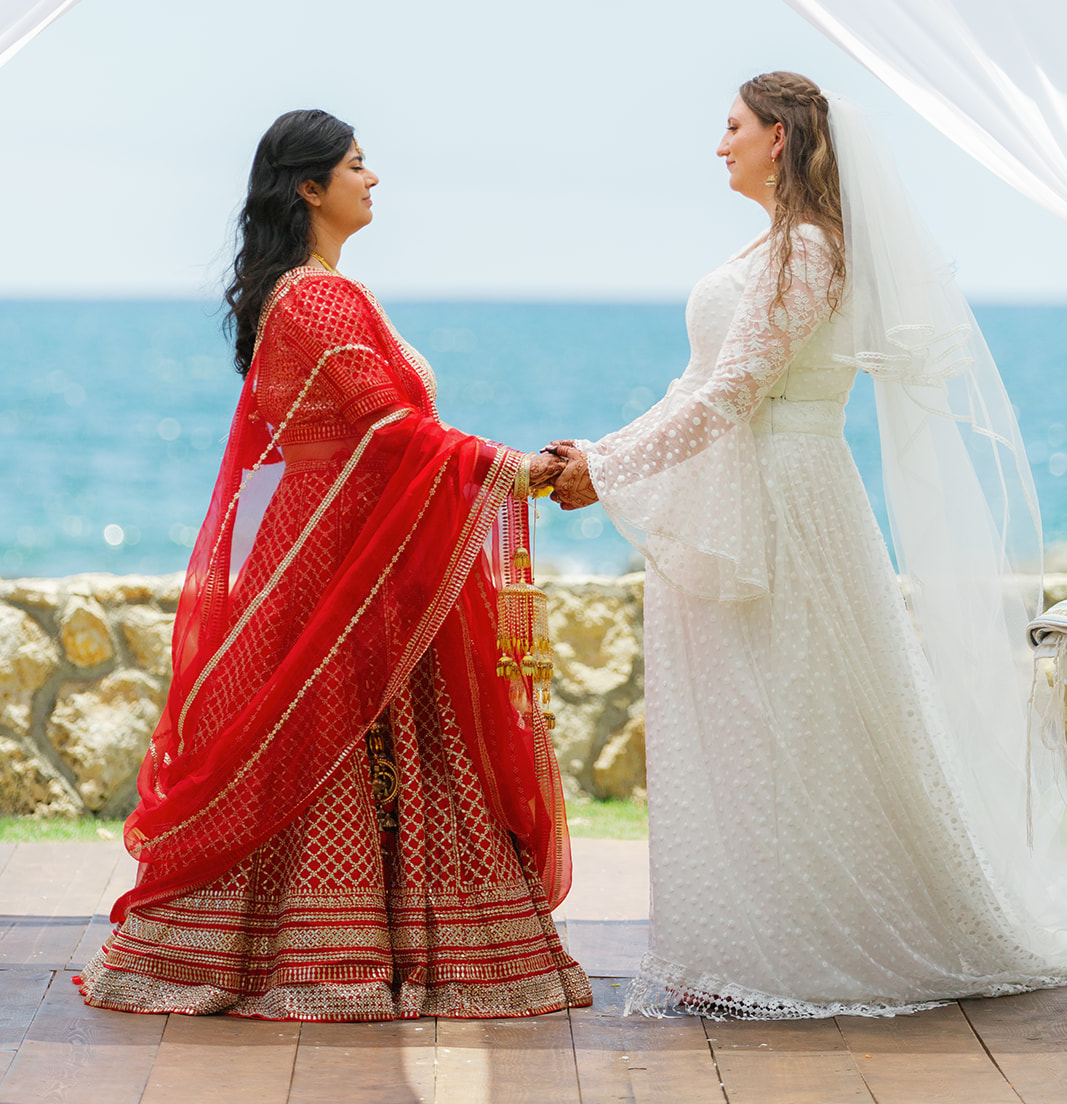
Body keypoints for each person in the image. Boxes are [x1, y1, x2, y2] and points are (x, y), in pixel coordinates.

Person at [551, 71, 1067, 1019]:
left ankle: (810, 948)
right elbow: (693, 382)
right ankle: (742, 936)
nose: (720, 145)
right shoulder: (768, 245)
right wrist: (599, 454)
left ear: (779, 137)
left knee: (797, 718)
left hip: (790, 501)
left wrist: (608, 471)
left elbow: (736, 393)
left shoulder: (810, 250)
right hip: (740, 494)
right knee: (749, 726)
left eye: (733, 126)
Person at [78, 108, 591, 1021]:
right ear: (309, 187)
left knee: (353, 744)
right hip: (341, 570)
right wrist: (519, 473)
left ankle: (350, 945)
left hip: (354, 553)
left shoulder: (313, 291)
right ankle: (326, 958)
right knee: (335, 745)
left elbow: (380, 439)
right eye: (357, 165)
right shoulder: (317, 298)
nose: (374, 178)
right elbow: (393, 435)